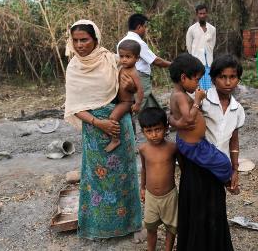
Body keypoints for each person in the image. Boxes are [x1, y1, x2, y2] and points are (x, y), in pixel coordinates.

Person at [64, 20, 144, 240]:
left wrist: (129, 87)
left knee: (124, 177)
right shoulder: (74, 68)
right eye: (76, 40)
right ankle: (100, 228)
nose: (80, 45)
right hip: (94, 131)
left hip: (119, 126)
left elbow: (130, 89)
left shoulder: (112, 60)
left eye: (84, 40)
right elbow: (74, 106)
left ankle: (131, 224)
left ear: (96, 39)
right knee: (97, 181)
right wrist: (99, 123)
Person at [168, 53, 234, 250]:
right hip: (194, 146)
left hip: (193, 143)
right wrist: (196, 100)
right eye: (196, 78)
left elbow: (175, 118)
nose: (197, 83)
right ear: (183, 78)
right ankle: (229, 181)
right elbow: (188, 120)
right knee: (223, 163)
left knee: (219, 162)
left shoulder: (177, 95)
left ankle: (226, 180)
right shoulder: (181, 96)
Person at [201, 54, 245, 194]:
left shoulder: (237, 109)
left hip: (221, 166)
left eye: (232, 77)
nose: (228, 82)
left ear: (238, 79)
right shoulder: (203, 101)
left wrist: (234, 170)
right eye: (222, 77)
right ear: (213, 79)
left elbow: (234, 141)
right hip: (200, 164)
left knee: (216, 203)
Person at [138, 107, 178, 251]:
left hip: (169, 196)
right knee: (151, 227)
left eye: (158, 129)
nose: (154, 135)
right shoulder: (143, 149)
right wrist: (142, 188)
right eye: (149, 131)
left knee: (171, 227)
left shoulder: (173, 148)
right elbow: (144, 169)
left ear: (166, 128)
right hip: (151, 196)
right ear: (143, 131)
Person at [117, 14, 171, 110]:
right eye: (145, 27)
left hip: (125, 76)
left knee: (147, 106)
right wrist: (174, 64)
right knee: (141, 105)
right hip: (140, 77)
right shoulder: (138, 43)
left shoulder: (122, 42)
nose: (145, 30)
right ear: (139, 27)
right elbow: (156, 61)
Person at [104, 39, 144, 152]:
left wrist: (138, 104)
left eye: (128, 56)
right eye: (121, 56)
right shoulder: (122, 67)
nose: (124, 59)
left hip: (126, 102)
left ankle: (115, 140)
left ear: (137, 58)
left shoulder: (133, 72)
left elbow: (140, 90)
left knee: (112, 118)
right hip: (119, 100)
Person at [186, 3, 216, 90]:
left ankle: (208, 101)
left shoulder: (212, 29)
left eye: (204, 13)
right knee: (197, 85)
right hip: (197, 62)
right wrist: (193, 58)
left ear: (207, 14)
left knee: (209, 86)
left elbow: (212, 45)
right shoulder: (192, 29)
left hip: (209, 62)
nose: (202, 16)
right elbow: (189, 47)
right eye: (200, 14)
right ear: (197, 14)